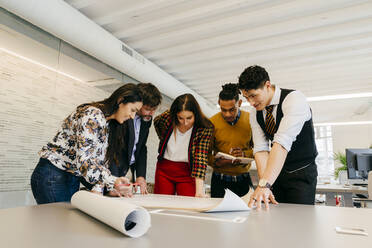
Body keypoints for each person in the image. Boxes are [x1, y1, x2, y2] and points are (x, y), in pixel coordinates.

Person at [31, 83, 143, 204]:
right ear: (121, 100)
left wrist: (109, 187)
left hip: (71, 176)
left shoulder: (106, 123)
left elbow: (97, 162)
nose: (132, 116)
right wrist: (113, 181)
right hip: (53, 175)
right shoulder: (92, 115)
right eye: (133, 110)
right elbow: (85, 161)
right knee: (56, 222)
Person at [238, 65, 318, 209]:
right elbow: (261, 150)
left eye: (253, 95)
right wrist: (265, 184)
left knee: (299, 220)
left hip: (300, 174)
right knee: (274, 218)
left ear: (267, 85)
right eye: (246, 97)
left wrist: (265, 184)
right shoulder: (255, 114)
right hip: (275, 175)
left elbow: (281, 143)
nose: (250, 102)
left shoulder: (294, 99)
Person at [153, 93, 213, 197]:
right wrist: (164, 141)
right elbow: (156, 122)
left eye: (189, 118)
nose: (185, 123)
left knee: (189, 204)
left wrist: (199, 190)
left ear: (196, 114)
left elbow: (200, 157)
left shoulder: (205, 127)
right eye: (180, 118)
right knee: (162, 203)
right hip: (164, 169)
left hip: (188, 172)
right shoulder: (167, 118)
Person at [109, 83, 162, 195]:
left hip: (128, 169)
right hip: (114, 168)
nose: (151, 113)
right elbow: (114, 148)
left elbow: (141, 147)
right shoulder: (122, 115)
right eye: (147, 109)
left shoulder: (146, 119)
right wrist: (113, 179)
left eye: (154, 109)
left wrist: (141, 176)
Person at [209, 83, 254, 197]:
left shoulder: (251, 120)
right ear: (219, 103)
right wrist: (216, 162)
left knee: (250, 214)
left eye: (232, 109)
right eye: (223, 110)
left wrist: (244, 154)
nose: (227, 114)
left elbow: (260, 149)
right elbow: (205, 153)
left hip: (244, 181)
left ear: (239, 103)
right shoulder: (211, 123)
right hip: (219, 182)